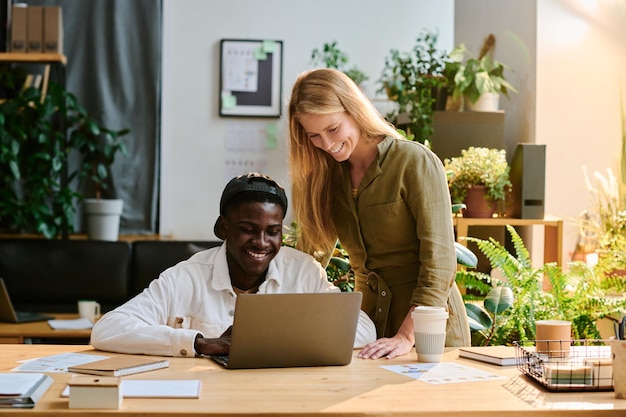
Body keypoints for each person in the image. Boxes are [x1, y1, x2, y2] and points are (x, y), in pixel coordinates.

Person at [287, 68, 470, 360]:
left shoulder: (413, 162)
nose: (326, 143)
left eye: (332, 129)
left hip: (430, 332)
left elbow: (440, 261)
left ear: (354, 111)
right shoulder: (325, 179)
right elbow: (311, 257)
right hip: (368, 328)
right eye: (314, 135)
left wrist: (407, 335)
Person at [91, 172, 376, 357]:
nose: (261, 242)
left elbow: (364, 330)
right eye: (248, 229)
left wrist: (279, 338)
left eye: (272, 230)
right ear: (223, 228)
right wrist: (199, 343)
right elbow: (107, 329)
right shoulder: (185, 277)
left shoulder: (303, 272)